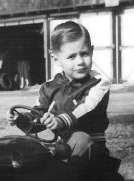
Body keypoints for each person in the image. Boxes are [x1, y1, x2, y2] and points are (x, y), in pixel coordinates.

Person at [7, 21, 111, 171]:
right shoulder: (49, 87)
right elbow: (39, 114)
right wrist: (21, 119)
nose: (80, 61)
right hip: (61, 145)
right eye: (71, 57)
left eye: (84, 54)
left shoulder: (98, 83)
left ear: (92, 51)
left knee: (81, 138)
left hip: (91, 147)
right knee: (27, 148)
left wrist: (60, 120)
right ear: (56, 59)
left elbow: (86, 107)